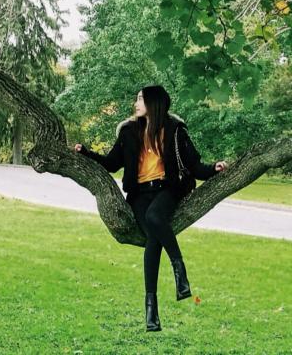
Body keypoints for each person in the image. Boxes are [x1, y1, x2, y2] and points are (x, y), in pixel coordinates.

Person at [73, 85, 228, 332]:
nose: (136, 103)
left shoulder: (175, 130)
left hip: (168, 189)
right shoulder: (128, 131)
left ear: (154, 103)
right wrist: (87, 153)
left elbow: (194, 164)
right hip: (139, 195)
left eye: (140, 99)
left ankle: (176, 275)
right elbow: (112, 164)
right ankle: (153, 307)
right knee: (153, 239)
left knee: (155, 217)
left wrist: (214, 169)